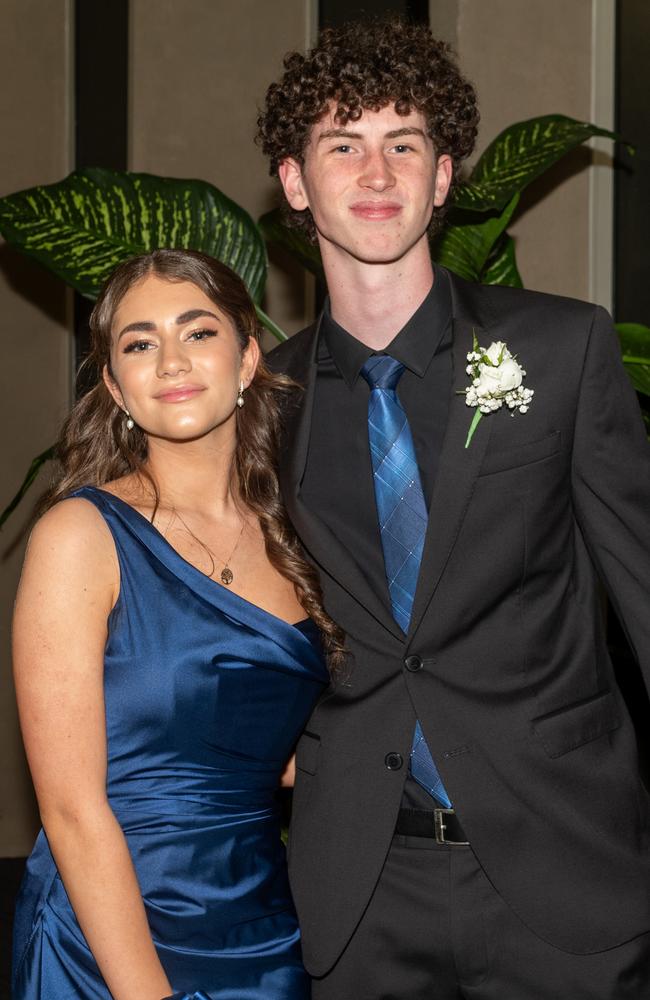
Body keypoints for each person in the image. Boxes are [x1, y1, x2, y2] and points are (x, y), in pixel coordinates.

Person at [257, 16, 650, 999]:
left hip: (560, 878)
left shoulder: (559, 352)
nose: (376, 170)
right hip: (356, 893)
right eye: (341, 144)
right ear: (295, 181)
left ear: (440, 178)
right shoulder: (261, 402)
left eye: (405, 143)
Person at [12, 248, 343, 1000]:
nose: (170, 361)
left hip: (268, 932)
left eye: (198, 332)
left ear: (248, 356)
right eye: (138, 343)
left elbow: (297, 747)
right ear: (114, 385)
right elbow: (70, 807)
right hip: (106, 942)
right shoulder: (80, 536)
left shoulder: (303, 541)